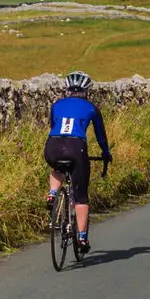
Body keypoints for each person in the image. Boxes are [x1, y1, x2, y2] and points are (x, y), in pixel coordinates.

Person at [45, 70, 110, 256]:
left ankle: (52, 194)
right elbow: (101, 137)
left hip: (53, 145)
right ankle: (82, 238)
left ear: (67, 89)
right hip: (76, 147)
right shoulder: (91, 108)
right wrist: (106, 154)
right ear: (86, 91)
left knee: (57, 166)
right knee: (81, 196)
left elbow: (54, 126)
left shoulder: (56, 105)